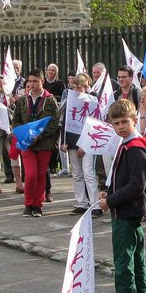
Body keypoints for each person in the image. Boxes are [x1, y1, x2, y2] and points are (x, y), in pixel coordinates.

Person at [98, 99, 146, 293]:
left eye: (125, 122)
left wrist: (110, 201)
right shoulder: (128, 145)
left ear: (135, 120)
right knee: (136, 264)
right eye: (116, 123)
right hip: (128, 211)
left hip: (127, 213)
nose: (121, 127)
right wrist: (109, 190)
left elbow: (136, 186)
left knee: (125, 267)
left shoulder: (136, 149)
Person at [11, 69, 60, 217]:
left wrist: (39, 136)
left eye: (35, 81)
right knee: (30, 175)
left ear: (42, 81)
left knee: (40, 174)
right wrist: (22, 133)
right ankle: (28, 203)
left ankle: (38, 205)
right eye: (30, 81)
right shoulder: (22, 100)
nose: (32, 84)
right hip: (27, 144)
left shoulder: (50, 100)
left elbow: (54, 122)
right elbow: (16, 120)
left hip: (44, 144)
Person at [61, 73, 100, 214]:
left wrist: (84, 144)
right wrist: (64, 141)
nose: (76, 90)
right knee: (77, 173)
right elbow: (65, 121)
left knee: (89, 172)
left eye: (79, 88)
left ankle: (95, 204)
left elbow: (93, 124)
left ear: (86, 87)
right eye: (74, 87)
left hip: (87, 142)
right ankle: (81, 203)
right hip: (71, 141)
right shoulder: (70, 99)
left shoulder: (92, 100)